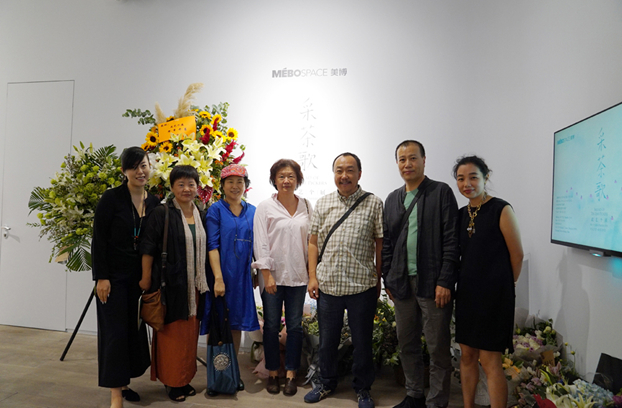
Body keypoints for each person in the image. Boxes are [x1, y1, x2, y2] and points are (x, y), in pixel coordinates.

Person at [382, 140, 459, 408]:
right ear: (397, 163)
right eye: (402, 159)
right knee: (407, 343)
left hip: (433, 283)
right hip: (401, 284)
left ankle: (436, 401)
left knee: (438, 347)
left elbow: (451, 240)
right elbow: (388, 243)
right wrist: (387, 277)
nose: (408, 164)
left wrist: (445, 280)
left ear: (424, 160)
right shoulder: (392, 199)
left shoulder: (440, 192)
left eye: (413, 158)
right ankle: (414, 394)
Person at [304, 153, 383, 408]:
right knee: (327, 341)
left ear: (359, 173)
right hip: (329, 284)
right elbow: (313, 242)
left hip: (361, 285)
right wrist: (312, 277)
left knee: (362, 342)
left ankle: (363, 389)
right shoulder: (324, 202)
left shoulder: (373, 203)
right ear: (334, 174)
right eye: (339, 170)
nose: (344, 175)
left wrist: (378, 277)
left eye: (350, 170)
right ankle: (326, 383)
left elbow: (380, 244)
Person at [452, 155, 523, 408]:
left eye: (473, 177)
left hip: (495, 296)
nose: (467, 184)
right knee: (467, 356)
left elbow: (517, 255)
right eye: (461, 178)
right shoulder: (460, 215)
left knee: (490, 361)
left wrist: (506, 287)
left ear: (486, 177)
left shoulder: (501, 209)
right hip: (467, 294)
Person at [92, 146, 160, 408]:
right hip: (113, 278)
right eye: (133, 167)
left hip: (140, 278)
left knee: (133, 332)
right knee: (114, 334)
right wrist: (101, 277)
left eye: (143, 165)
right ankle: (115, 395)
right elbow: (99, 240)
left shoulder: (154, 202)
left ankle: (124, 383)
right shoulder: (111, 198)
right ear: (124, 171)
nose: (139, 171)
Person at [140, 165, 209, 402]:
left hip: (194, 286)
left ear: (197, 187)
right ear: (172, 187)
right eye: (181, 184)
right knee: (172, 336)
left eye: (191, 184)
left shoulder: (200, 212)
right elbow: (148, 247)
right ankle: (171, 382)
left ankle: (184, 378)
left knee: (189, 337)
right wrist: (145, 278)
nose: (186, 189)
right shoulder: (162, 213)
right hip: (170, 285)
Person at [252, 159, 312, 396]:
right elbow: (261, 243)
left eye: (291, 176)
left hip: (298, 276)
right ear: (274, 180)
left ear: (298, 179)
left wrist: (312, 274)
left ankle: (291, 375)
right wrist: (266, 275)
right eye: (281, 177)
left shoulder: (306, 205)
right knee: (271, 326)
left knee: (295, 327)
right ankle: (273, 373)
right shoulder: (265, 207)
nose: (286, 181)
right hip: (272, 277)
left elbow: (311, 241)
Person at [201, 163, 260, 395]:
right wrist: (218, 278)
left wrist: (256, 270)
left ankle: (232, 374)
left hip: (242, 278)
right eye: (230, 182)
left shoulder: (253, 211)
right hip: (221, 276)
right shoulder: (216, 210)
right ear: (222, 185)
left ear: (246, 185)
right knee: (218, 325)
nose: (235, 186)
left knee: (236, 325)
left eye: (240, 182)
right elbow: (212, 246)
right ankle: (215, 377)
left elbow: (258, 245)